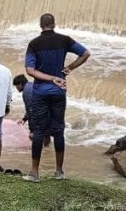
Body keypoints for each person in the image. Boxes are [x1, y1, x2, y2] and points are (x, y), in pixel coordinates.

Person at [23, 13, 90, 182]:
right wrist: (69, 68)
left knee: (38, 131)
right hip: (59, 91)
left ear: (40, 25)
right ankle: (59, 171)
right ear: (54, 24)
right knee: (58, 131)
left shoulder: (34, 44)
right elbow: (86, 53)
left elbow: (30, 71)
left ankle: (34, 173)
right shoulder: (64, 40)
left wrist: (49, 78)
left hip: (39, 92)